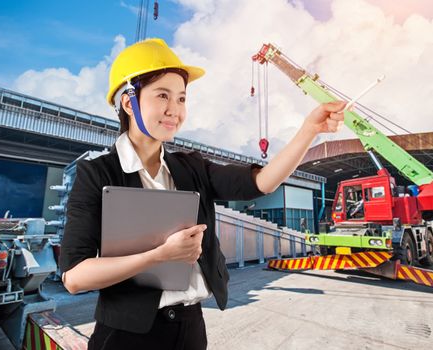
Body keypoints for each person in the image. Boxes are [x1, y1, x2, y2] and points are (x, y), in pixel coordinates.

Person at [59, 38, 346, 350]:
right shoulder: (98, 174)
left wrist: (309, 130)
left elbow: (263, 182)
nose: (175, 110)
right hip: (127, 337)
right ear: (129, 103)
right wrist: (159, 256)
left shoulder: (191, 168)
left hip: (190, 330)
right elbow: (75, 278)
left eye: (182, 99)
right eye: (163, 96)